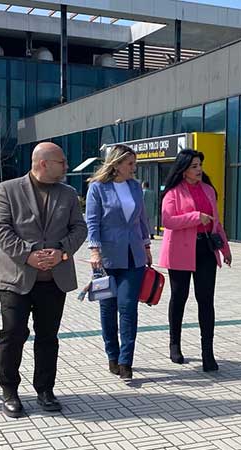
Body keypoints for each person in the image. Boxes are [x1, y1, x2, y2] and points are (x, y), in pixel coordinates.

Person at [0, 142, 87, 418]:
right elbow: (0, 228)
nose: (66, 166)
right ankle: (9, 391)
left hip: (54, 280)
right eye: (61, 162)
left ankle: (45, 390)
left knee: (48, 337)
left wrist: (62, 252)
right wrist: (27, 255)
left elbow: (79, 228)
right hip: (16, 278)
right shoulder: (7, 189)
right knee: (13, 334)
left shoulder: (68, 193)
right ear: (43, 163)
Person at [158, 149, 231, 372]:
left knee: (206, 300)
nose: (199, 170)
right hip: (180, 251)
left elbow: (216, 223)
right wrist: (196, 217)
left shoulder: (208, 190)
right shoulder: (172, 193)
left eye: (200, 165)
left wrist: (225, 248)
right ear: (184, 170)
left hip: (206, 249)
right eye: (194, 166)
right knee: (179, 297)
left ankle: (208, 353)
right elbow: (168, 221)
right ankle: (175, 344)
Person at [85, 145, 152, 381]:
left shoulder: (135, 187)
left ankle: (126, 361)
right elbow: (92, 222)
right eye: (130, 164)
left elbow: (142, 219)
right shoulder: (97, 187)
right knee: (107, 308)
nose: (134, 168)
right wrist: (94, 251)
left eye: (135, 164)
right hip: (107, 257)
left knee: (128, 307)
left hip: (134, 256)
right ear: (117, 164)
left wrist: (146, 246)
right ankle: (112, 355)